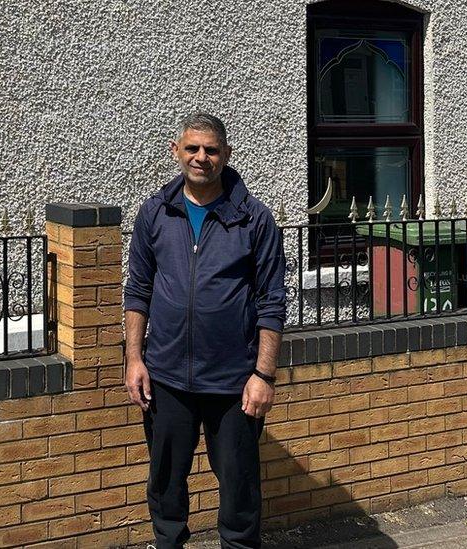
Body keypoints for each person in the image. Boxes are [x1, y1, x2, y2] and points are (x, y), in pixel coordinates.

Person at [123, 112, 286, 549]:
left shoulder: (254, 220)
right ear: (176, 152)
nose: (201, 158)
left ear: (226, 155)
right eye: (192, 148)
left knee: (239, 490)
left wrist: (263, 375)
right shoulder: (156, 213)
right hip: (167, 378)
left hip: (234, 382)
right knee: (165, 484)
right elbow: (138, 289)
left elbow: (272, 301)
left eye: (211, 150)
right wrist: (135, 360)